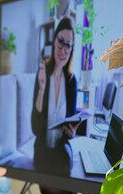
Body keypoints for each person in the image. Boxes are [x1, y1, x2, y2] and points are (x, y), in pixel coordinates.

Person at [31, 17, 78, 177]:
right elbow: (35, 129)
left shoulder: (72, 81)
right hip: (42, 148)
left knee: (65, 170)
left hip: (61, 148)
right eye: (61, 41)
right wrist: (42, 89)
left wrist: (72, 132)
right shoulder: (43, 73)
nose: (63, 50)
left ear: (72, 49)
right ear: (54, 41)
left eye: (68, 45)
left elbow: (71, 124)